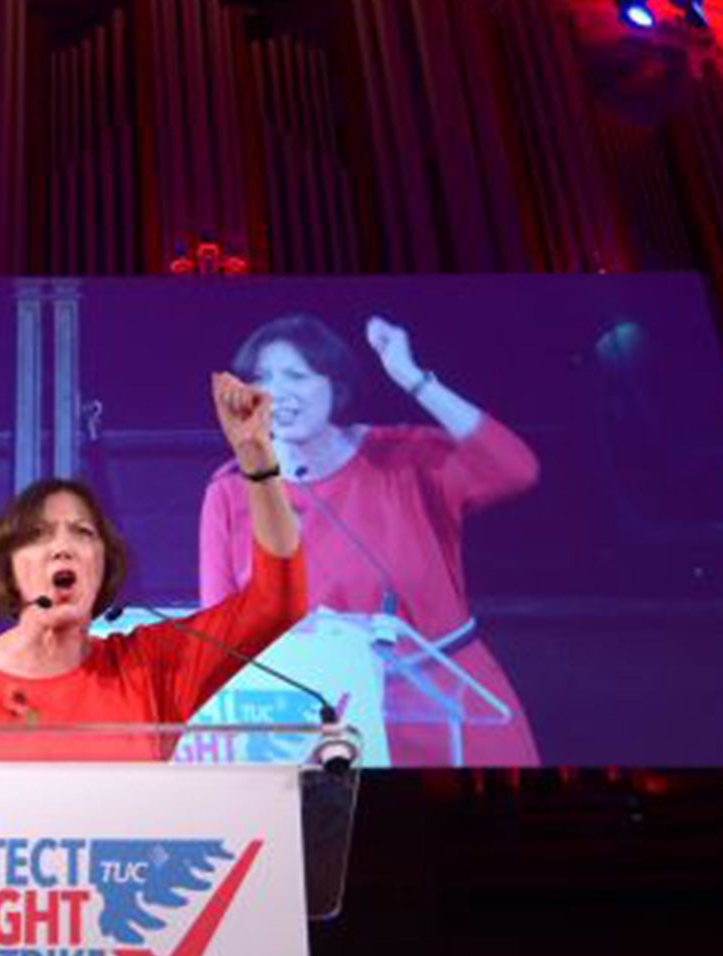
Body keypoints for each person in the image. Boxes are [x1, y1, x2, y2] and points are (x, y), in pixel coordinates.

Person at [0, 371, 306, 758]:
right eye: (39, 534)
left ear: (103, 566)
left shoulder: (150, 669)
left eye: (82, 532)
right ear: (8, 568)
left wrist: (257, 456)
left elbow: (276, 604)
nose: (63, 548)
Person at [199, 312, 541, 766]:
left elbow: (516, 469)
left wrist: (414, 379)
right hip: (324, 729)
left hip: (451, 709)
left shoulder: (405, 459)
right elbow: (218, 640)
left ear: (336, 387)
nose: (276, 392)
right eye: (261, 379)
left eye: (297, 375)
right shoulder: (231, 491)